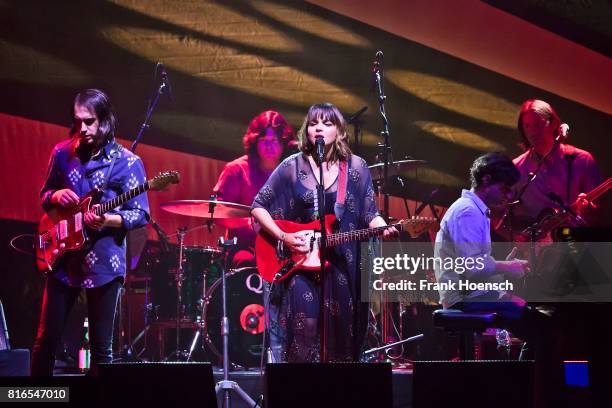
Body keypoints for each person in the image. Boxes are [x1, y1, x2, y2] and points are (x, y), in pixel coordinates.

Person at [251, 102, 396, 362]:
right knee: (304, 331)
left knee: (342, 336)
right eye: (314, 123)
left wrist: (382, 228)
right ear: (307, 130)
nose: (319, 128)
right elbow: (258, 206)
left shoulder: (356, 167)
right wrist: (284, 236)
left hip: (343, 266)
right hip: (301, 265)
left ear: (339, 132)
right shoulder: (292, 166)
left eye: (327, 123)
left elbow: (369, 212)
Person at [31, 89, 150, 375]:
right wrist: (58, 195)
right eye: (78, 121)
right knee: (46, 341)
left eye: (89, 121)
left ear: (106, 121)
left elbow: (141, 214)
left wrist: (108, 219)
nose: (81, 128)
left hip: (104, 262)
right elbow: (44, 195)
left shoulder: (129, 162)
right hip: (62, 258)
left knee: (101, 350)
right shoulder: (62, 153)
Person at [434, 152, 562, 407]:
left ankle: (525, 388)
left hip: (473, 294)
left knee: (538, 324)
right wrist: (507, 267)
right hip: (464, 298)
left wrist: (503, 267)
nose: (508, 197)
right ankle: (532, 393)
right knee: (546, 330)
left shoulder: (476, 211)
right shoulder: (467, 212)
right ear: (487, 180)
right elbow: (472, 268)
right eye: (504, 189)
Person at [213, 110, 295, 267]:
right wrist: (251, 225)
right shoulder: (237, 170)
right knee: (245, 261)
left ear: (284, 143)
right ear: (255, 142)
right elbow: (218, 213)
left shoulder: (292, 172)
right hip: (245, 248)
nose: (269, 146)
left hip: (284, 247)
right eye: (264, 140)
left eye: (274, 140)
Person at [509, 99, 602, 231]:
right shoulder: (516, 168)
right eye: (527, 126)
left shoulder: (582, 160)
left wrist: (589, 209)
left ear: (553, 123)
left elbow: (599, 213)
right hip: (536, 248)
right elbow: (506, 216)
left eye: (538, 124)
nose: (532, 131)